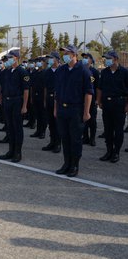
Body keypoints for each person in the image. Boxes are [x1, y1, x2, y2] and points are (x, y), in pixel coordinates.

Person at [54, 45, 93, 177]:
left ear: (74, 54)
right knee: (65, 138)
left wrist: (86, 112)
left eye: (66, 53)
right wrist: (56, 109)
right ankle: (66, 163)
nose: (64, 55)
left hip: (76, 109)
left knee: (75, 139)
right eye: (63, 53)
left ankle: (74, 165)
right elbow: (57, 91)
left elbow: (88, 93)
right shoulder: (61, 70)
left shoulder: (83, 70)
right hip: (62, 109)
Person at [97, 51, 128, 163]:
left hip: (119, 103)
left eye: (108, 58)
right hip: (107, 103)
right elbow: (100, 88)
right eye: (106, 58)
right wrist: (99, 101)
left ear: (115, 59)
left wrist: (127, 106)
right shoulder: (105, 72)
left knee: (118, 130)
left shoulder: (124, 72)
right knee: (108, 129)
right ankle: (109, 151)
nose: (106, 60)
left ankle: (116, 153)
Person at [0, 51, 29, 162]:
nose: (7, 60)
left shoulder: (22, 72)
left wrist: (24, 106)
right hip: (7, 101)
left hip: (17, 102)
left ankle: (17, 152)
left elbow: (26, 90)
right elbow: (2, 86)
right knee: (10, 127)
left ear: (16, 58)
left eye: (10, 58)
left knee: (17, 128)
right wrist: (1, 97)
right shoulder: (6, 72)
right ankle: (11, 150)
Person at [42, 52, 61, 153]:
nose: (48, 60)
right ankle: (52, 141)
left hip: (58, 99)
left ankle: (58, 143)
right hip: (49, 99)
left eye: (51, 58)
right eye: (48, 58)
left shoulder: (62, 71)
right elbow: (45, 87)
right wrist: (45, 100)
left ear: (57, 59)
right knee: (51, 122)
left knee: (58, 123)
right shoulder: (47, 72)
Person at [81, 53, 100, 147]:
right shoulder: (81, 70)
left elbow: (97, 87)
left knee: (92, 120)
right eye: (83, 58)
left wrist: (97, 99)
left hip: (92, 99)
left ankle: (92, 138)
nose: (84, 59)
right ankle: (85, 137)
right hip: (82, 99)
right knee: (83, 120)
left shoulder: (94, 72)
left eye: (86, 58)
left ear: (91, 60)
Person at [30, 57, 47, 139]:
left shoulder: (45, 72)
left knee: (43, 115)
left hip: (42, 96)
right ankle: (38, 131)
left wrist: (44, 99)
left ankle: (42, 131)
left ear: (44, 62)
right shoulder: (35, 72)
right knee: (37, 115)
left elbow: (45, 87)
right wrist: (31, 97)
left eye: (40, 61)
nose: (38, 63)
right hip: (35, 96)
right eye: (37, 61)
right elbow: (32, 86)